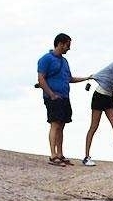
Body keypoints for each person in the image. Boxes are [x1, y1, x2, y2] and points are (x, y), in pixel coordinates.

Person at [37, 33, 91, 166]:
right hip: (53, 97)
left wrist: (86, 78)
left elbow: (69, 79)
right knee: (55, 124)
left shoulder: (64, 61)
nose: (69, 48)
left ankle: (60, 154)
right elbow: (41, 78)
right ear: (60, 44)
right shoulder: (46, 59)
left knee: (62, 125)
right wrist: (51, 94)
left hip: (65, 97)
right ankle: (53, 155)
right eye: (68, 45)